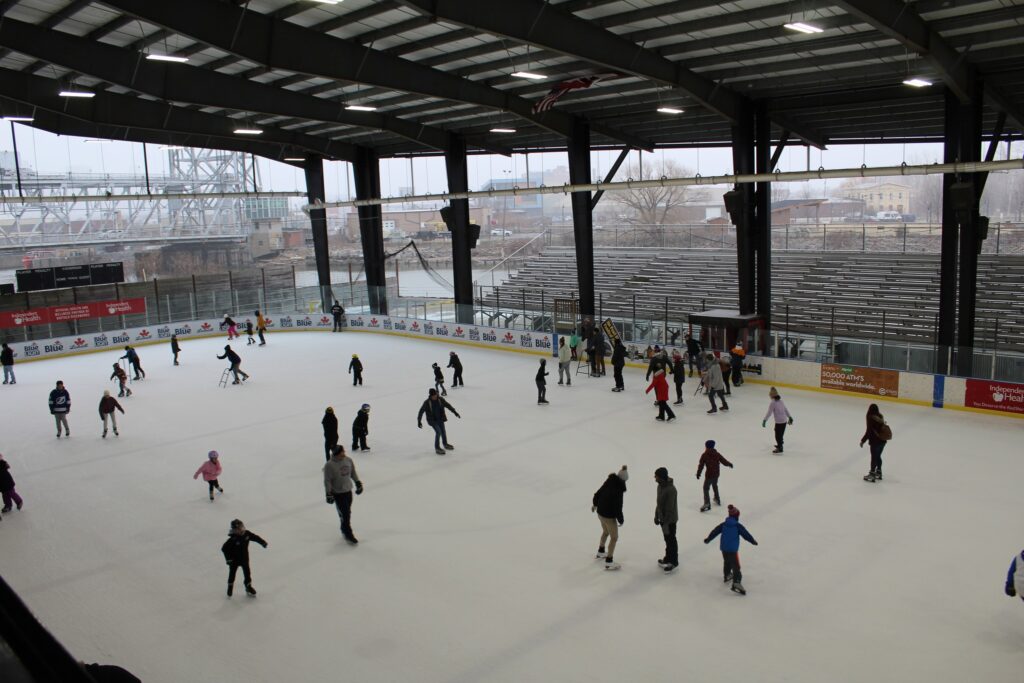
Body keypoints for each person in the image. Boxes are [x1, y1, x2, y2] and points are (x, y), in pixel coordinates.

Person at [704, 504, 758, 595]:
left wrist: (708, 539)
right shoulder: (737, 526)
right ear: (736, 516)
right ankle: (736, 582)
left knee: (727, 561)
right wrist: (752, 541)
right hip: (733, 550)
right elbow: (746, 534)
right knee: (736, 566)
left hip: (724, 548)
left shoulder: (723, 524)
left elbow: (715, 531)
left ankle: (727, 575)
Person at [323, 445, 363, 544]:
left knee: (347, 512)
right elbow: (327, 481)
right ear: (336, 454)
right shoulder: (329, 465)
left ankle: (343, 526)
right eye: (342, 453)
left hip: (348, 491)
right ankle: (348, 533)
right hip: (338, 493)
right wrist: (328, 493)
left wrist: (358, 483)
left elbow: (353, 472)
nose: (344, 454)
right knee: (345, 514)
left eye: (344, 452)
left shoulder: (348, 460)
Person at [592, 466, 628, 571]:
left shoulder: (609, 482)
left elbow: (597, 494)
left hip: (600, 513)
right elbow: (618, 507)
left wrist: (595, 504)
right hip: (608, 517)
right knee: (614, 537)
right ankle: (609, 561)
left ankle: (601, 551)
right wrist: (621, 520)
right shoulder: (619, 490)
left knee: (605, 531)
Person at [221, 519, 267, 597]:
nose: (242, 530)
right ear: (235, 530)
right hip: (234, 561)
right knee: (232, 574)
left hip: (244, 559)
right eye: (239, 529)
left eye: (242, 527)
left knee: (247, 574)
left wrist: (262, 542)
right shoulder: (232, 539)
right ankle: (230, 586)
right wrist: (228, 559)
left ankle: (248, 587)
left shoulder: (246, 534)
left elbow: (255, 537)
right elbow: (224, 549)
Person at [417, 388, 460, 455]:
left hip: (440, 419)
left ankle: (445, 444)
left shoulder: (440, 399)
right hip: (432, 421)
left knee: (443, 431)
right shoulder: (427, 403)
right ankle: (437, 448)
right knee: (438, 432)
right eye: (433, 396)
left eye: (435, 395)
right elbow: (421, 411)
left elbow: (448, 405)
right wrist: (419, 421)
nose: (434, 397)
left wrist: (455, 412)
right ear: (430, 396)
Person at [654, 467, 679, 573]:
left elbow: (669, 509)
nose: (655, 478)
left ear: (662, 477)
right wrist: (656, 515)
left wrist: (666, 523)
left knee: (671, 540)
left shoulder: (671, 490)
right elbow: (659, 503)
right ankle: (668, 558)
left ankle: (673, 561)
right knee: (667, 540)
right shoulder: (660, 486)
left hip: (670, 521)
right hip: (663, 520)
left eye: (656, 476)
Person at [696, 440, 733, 512]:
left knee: (706, 488)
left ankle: (707, 503)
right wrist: (729, 464)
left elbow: (701, 465)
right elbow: (723, 461)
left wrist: (698, 473)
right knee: (715, 485)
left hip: (709, 475)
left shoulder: (704, 455)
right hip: (716, 474)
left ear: (706, 446)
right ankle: (717, 498)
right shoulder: (717, 454)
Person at [859, 403, 891, 482]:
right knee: (878, 456)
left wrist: (863, 440)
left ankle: (872, 474)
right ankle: (879, 472)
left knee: (874, 457)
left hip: (875, 441)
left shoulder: (870, 418)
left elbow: (869, 431)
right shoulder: (880, 416)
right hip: (883, 441)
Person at [762, 387, 794, 453]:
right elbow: (785, 409)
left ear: (771, 395)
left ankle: (780, 448)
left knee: (777, 435)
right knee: (780, 434)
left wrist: (765, 420)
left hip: (779, 422)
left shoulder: (772, 403)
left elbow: (769, 412)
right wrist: (790, 417)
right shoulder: (781, 401)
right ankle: (780, 444)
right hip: (784, 421)